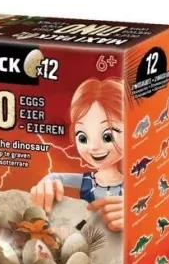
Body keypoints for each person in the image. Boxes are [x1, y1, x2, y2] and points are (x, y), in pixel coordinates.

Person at [30, 78, 124, 232]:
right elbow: (56, 177)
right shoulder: (87, 181)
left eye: (107, 136)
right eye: (83, 138)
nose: (93, 147)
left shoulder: (130, 186)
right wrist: (46, 183)